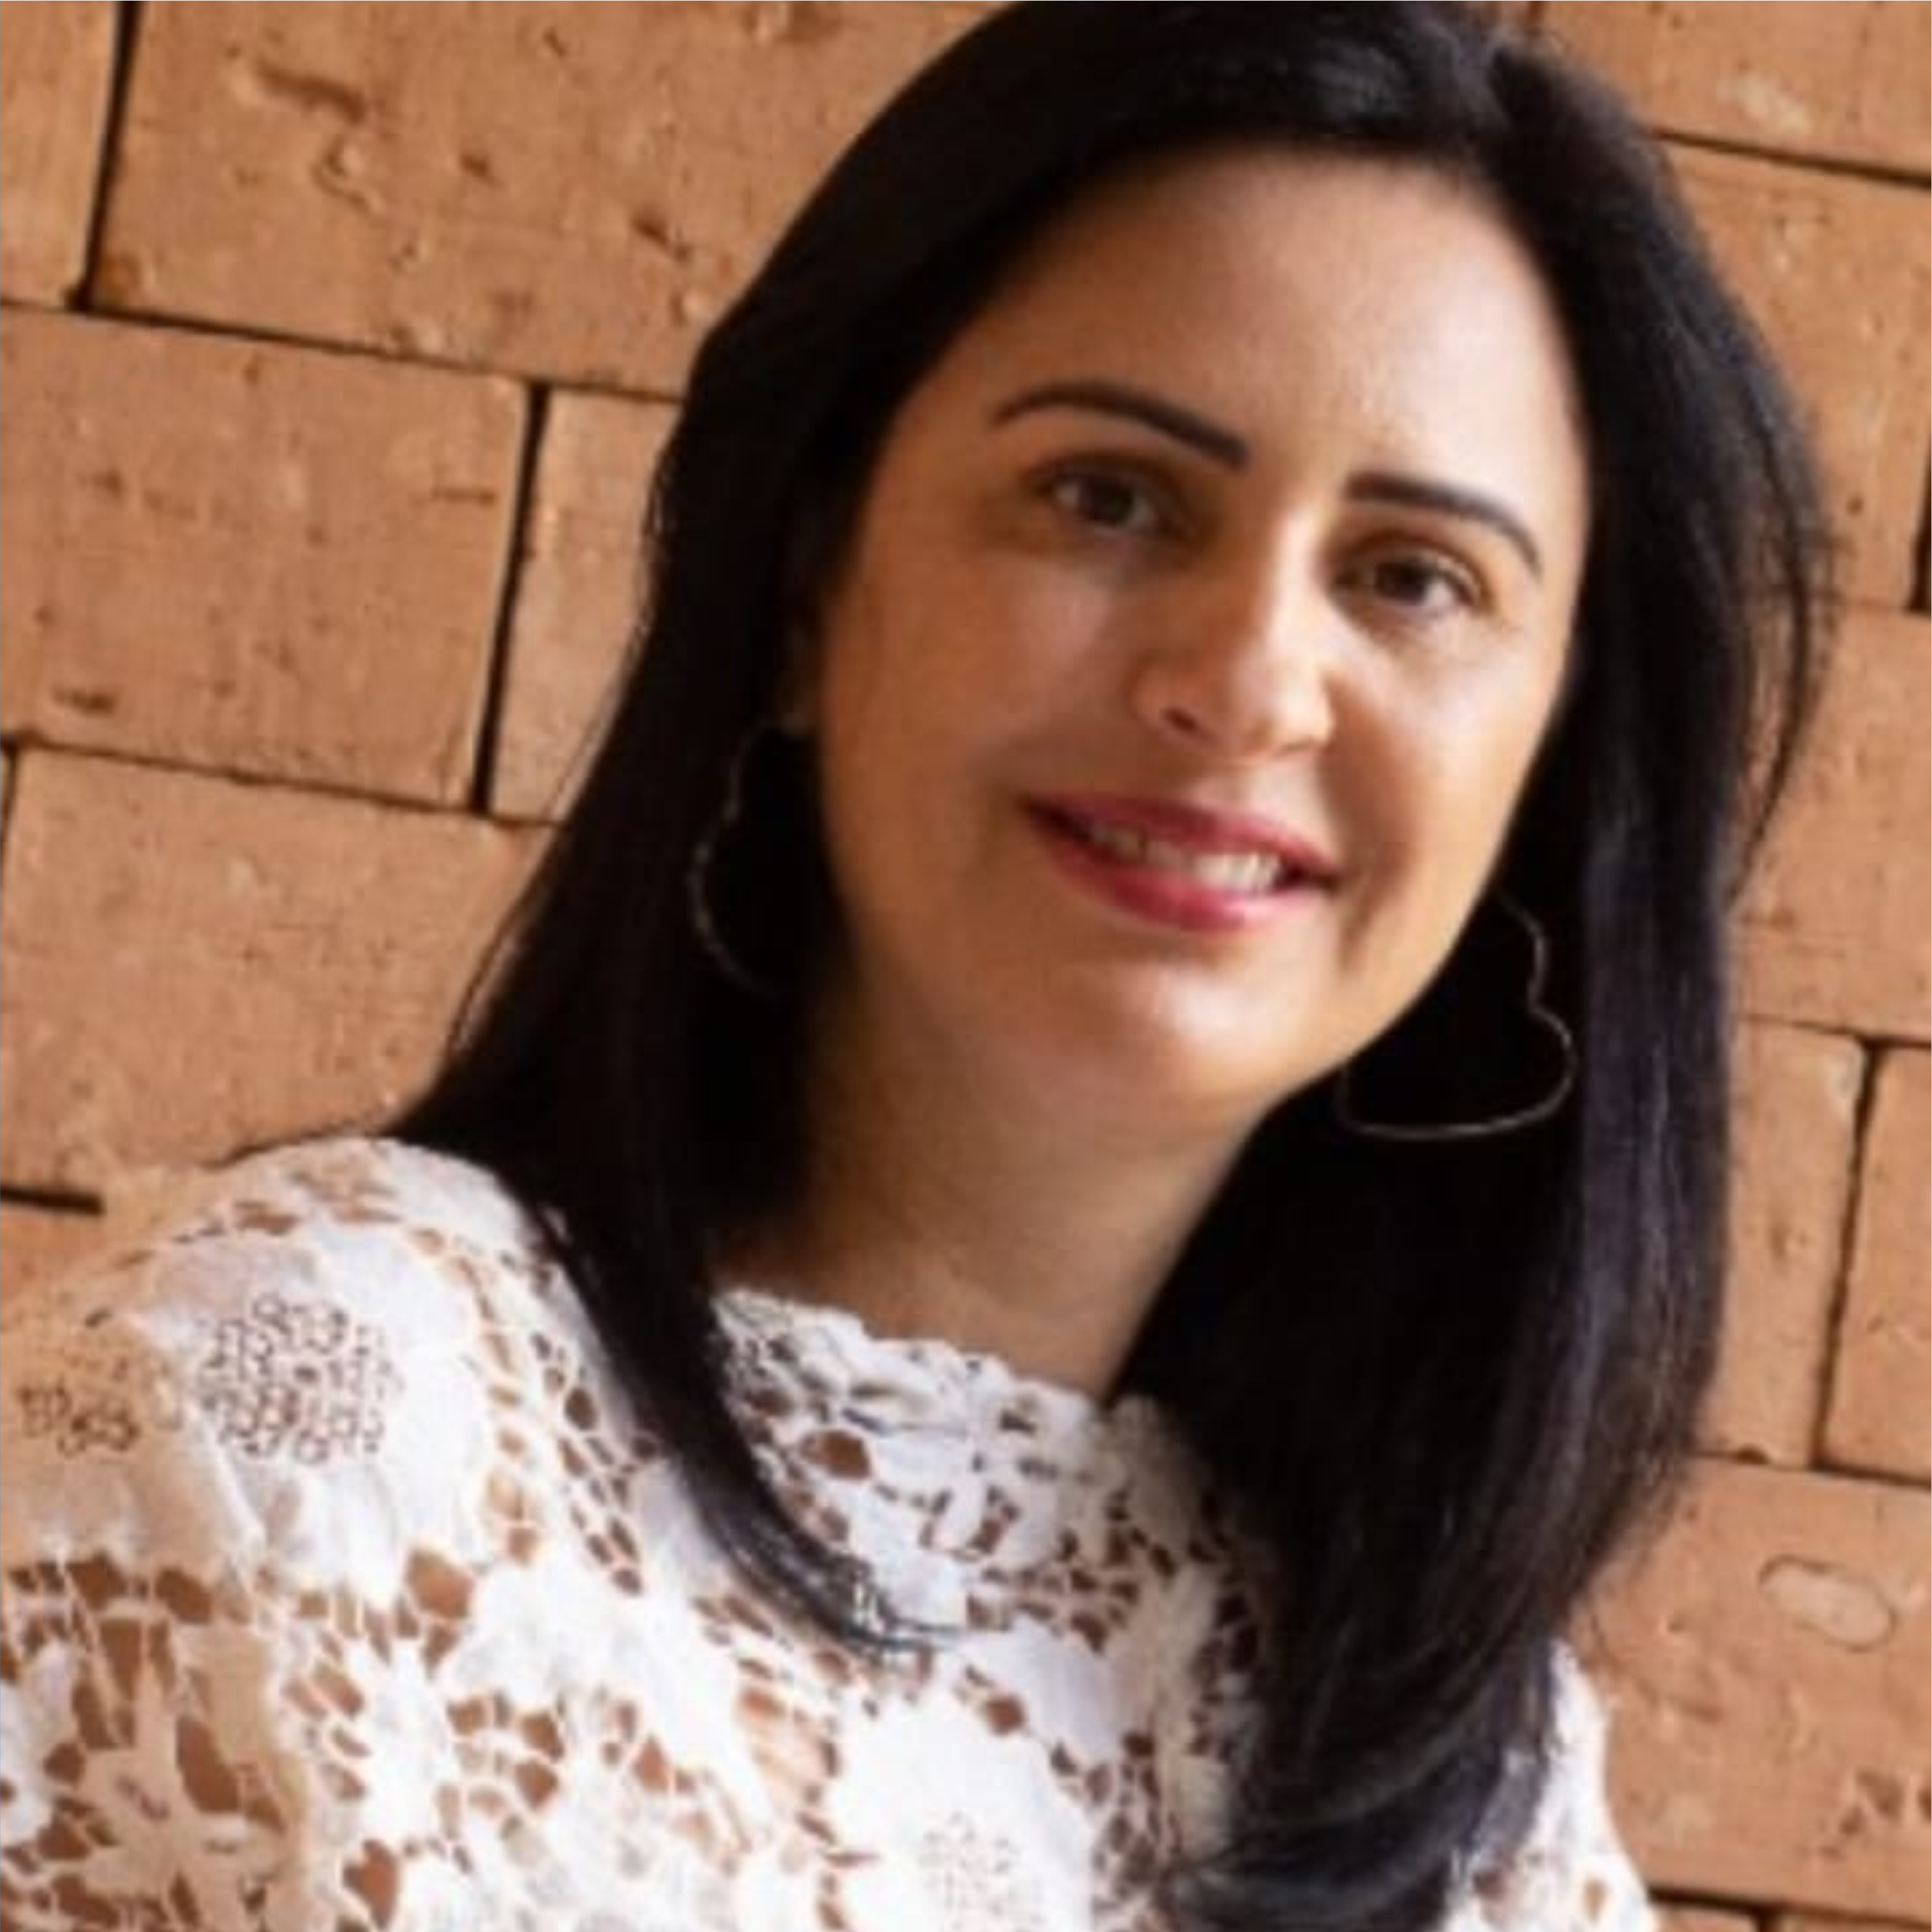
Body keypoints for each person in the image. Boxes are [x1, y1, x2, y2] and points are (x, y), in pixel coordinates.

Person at [0, 2, 1829, 1927]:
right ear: (805, 587)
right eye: (1110, 496)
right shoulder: (303, 1428)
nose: (1246, 682)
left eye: (1411, 578)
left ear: (1543, 775)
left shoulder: (1466, 1791)